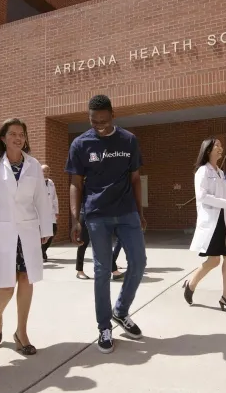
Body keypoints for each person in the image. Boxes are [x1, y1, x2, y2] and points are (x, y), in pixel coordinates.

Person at [66, 94, 147, 354]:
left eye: (103, 120)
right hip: (97, 214)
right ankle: (104, 326)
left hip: (126, 212)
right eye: (93, 121)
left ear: (113, 115)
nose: (99, 125)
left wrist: (140, 211)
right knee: (101, 271)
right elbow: (75, 184)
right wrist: (75, 219)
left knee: (139, 262)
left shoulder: (129, 140)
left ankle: (120, 311)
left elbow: (136, 178)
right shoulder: (81, 144)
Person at [0, 118, 53, 356]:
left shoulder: (33, 164)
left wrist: (45, 229)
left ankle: (22, 332)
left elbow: (41, 199)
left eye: (22, 134)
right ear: (3, 138)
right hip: (1, 232)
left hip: (27, 231)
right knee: (6, 285)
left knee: (27, 279)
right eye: (13, 134)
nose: (18, 138)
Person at [183, 137, 226, 312]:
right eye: (216, 145)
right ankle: (191, 283)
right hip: (212, 221)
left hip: (223, 220)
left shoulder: (220, 172)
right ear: (208, 150)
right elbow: (202, 197)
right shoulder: (202, 171)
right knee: (213, 260)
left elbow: (222, 197)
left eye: (220, 145)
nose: (220, 148)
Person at [41, 164, 59, 262]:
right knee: (41, 233)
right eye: (44, 171)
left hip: (50, 212)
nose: (46, 173)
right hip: (39, 212)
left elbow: (54, 197)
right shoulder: (36, 182)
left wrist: (56, 211)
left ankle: (43, 250)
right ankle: (41, 252)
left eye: (47, 171)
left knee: (53, 230)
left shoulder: (51, 182)